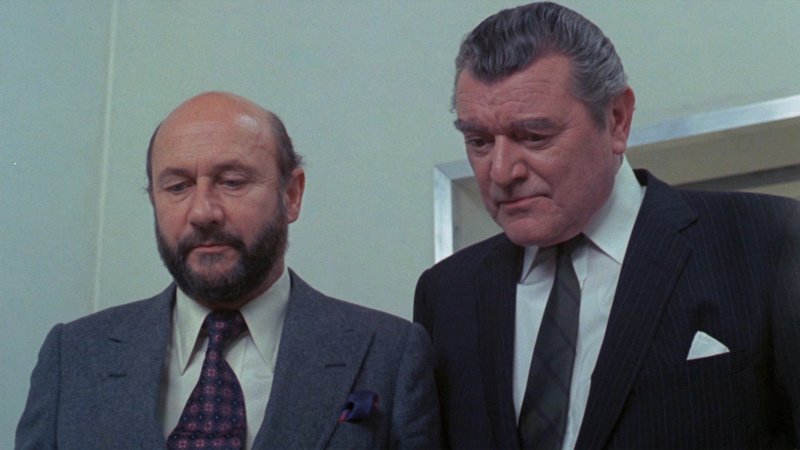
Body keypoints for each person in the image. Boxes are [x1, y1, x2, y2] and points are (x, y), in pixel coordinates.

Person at [414, 2, 800, 449]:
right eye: (479, 141)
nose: (501, 172)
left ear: (617, 119)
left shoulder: (768, 242)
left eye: (534, 136)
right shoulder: (447, 295)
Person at [17, 91, 441, 449]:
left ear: (292, 195)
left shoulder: (391, 353)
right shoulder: (72, 356)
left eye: (232, 182)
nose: (203, 212)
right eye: (178, 186)